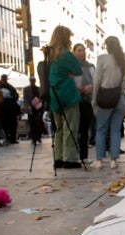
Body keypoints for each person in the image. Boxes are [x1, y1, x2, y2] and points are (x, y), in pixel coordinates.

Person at [47, 25, 83, 168]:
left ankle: (58, 157)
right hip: (68, 93)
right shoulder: (66, 54)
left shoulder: (49, 55)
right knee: (71, 127)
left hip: (54, 95)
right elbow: (78, 70)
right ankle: (70, 158)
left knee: (59, 128)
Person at [92, 35, 125, 169]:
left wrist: (94, 99)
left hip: (105, 98)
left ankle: (99, 160)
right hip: (119, 98)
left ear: (107, 46)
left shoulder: (102, 59)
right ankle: (113, 160)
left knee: (101, 129)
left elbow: (97, 81)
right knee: (115, 130)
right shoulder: (123, 61)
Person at [73, 43, 94, 162]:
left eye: (83, 51)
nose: (82, 53)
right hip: (74, 100)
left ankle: (84, 155)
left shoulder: (90, 66)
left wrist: (91, 87)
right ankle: (73, 154)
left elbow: (96, 81)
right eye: (79, 50)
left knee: (85, 128)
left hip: (87, 100)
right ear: (74, 52)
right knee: (75, 128)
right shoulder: (71, 67)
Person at [0, 74, 19, 144]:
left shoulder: (10, 87)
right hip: (3, 108)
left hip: (10, 108)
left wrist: (10, 98)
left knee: (12, 124)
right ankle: (7, 137)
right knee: (5, 124)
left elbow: (16, 96)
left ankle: (12, 138)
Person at [22, 76, 43, 145]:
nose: (32, 82)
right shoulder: (26, 89)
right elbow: (26, 99)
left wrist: (40, 103)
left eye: (33, 80)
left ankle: (38, 137)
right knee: (32, 123)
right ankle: (34, 138)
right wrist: (28, 106)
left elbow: (42, 98)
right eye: (31, 80)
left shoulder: (39, 89)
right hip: (31, 108)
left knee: (39, 123)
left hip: (38, 107)